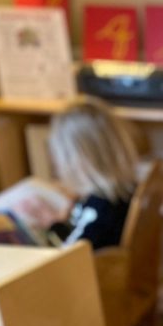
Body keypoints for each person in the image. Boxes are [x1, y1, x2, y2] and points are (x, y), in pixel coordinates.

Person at [23, 96, 138, 249]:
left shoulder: (98, 208)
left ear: (74, 158)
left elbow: (72, 253)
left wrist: (53, 225)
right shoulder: (124, 190)